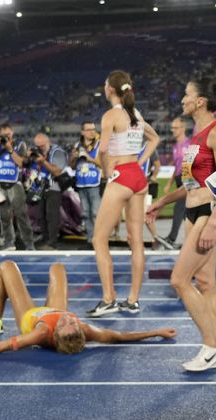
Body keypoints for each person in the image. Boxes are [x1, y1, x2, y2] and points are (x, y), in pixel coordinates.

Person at [147, 78, 216, 371]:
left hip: (210, 213)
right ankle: (215, 349)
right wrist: (163, 201)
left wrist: (214, 223)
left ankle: (211, 346)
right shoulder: (193, 138)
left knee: (179, 280)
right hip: (192, 212)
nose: (182, 99)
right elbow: (189, 184)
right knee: (206, 283)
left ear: (200, 102)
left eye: (186, 95)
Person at [0, 260, 176, 357]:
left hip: (30, 317)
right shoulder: (84, 330)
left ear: (54, 333)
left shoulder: (39, 333)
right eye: (73, 323)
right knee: (58, 268)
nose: (68, 319)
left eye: (64, 324)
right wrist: (155, 332)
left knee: (7, 267)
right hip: (52, 308)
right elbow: (119, 337)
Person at [87, 70, 160, 317]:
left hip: (121, 176)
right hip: (137, 177)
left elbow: (103, 150)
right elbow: (155, 139)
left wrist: (108, 172)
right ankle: (133, 300)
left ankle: (108, 299)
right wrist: (140, 162)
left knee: (99, 239)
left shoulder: (111, 115)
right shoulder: (136, 115)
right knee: (136, 241)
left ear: (109, 89)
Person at [0, 122, 35, 251]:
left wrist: (10, 148)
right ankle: (9, 242)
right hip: (1, 185)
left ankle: (29, 244)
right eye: (3, 131)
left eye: (8, 131)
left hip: (15, 184)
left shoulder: (19, 144)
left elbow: (21, 163)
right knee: (5, 216)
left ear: (12, 132)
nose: (6, 133)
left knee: (21, 215)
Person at [30, 132, 69, 250]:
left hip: (54, 187)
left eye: (42, 146)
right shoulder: (36, 153)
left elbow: (56, 171)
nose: (40, 148)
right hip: (40, 187)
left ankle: (52, 242)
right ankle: (45, 239)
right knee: (41, 215)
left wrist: (43, 162)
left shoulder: (58, 152)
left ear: (48, 142)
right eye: (37, 146)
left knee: (52, 215)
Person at [70, 120, 104, 248]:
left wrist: (89, 159)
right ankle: (90, 239)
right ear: (82, 132)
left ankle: (99, 240)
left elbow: (103, 164)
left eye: (93, 129)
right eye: (89, 130)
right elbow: (72, 166)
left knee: (96, 213)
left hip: (95, 183)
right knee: (86, 213)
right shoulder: (77, 145)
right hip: (81, 183)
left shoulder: (100, 145)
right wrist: (73, 157)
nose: (92, 132)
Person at [159, 117, 190, 248]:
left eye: (175, 128)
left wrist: (187, 182)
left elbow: (190, 164)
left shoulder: (189, 144)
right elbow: (177, 166)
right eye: (172, 128)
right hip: (178, 179)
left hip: (186, 179)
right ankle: (188, 240)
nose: (173, 130)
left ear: (183, 128)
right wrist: (169, 183)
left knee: (179, 208)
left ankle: (172, 238)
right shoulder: (176, 146)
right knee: (185, 211)